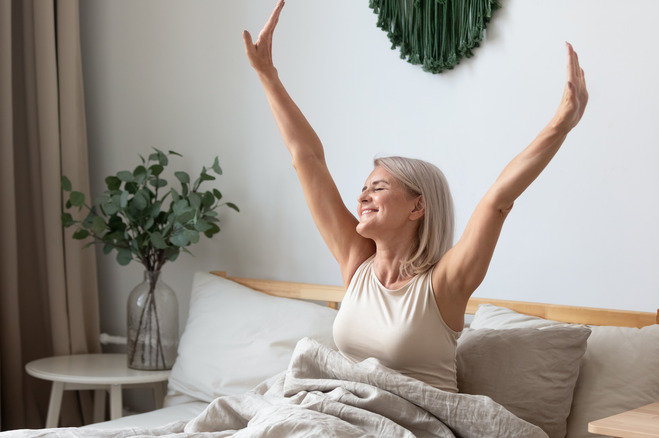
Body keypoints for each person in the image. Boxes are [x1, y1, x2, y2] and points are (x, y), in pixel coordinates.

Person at [243, 0, 588, 392]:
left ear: (418, 206)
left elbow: (498, 199)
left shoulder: (444, 284)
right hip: (345, 413)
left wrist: (561, 124)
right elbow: (307, 159)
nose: (363, 198)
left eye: (379, 187)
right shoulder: (356, 264)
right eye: (363, 189)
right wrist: (268, 76)